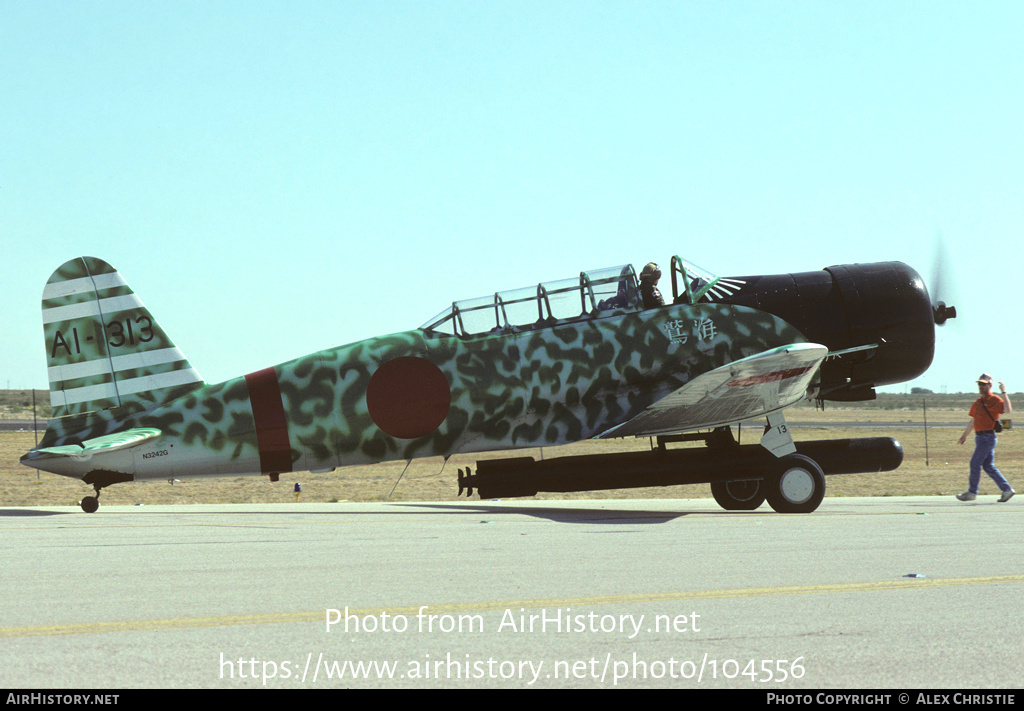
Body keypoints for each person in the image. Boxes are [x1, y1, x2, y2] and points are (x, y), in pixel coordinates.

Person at [956, 374, 1014, 502]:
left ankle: (972, 492)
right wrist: (964, 435)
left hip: (988, 437)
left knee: (975, 463)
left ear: (990, 385)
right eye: (980, 384)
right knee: (988, 466)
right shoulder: (978, 402)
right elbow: (973, 420)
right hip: (980, 437)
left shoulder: (995, 400)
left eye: (984, 384)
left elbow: (1008, 410)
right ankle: (1007, 490)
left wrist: (1004, 392)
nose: (981, 386)